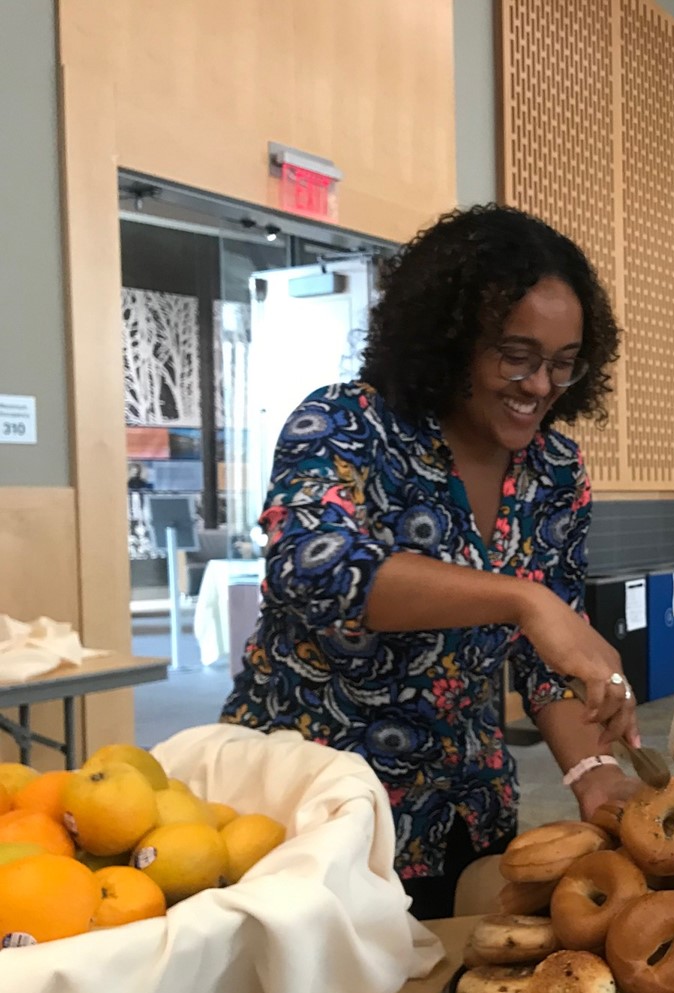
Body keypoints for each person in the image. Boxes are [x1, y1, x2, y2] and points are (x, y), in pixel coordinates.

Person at [222, 205, 643, 919]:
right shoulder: (346, 425)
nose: (540, 385)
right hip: (310, 810)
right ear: (451, 341)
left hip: (461, 809)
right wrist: (524, 600)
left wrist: (594, 768)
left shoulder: (556, 471)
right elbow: (315, 570)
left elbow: (549, 662)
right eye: (516, 356)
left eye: (563, 365)